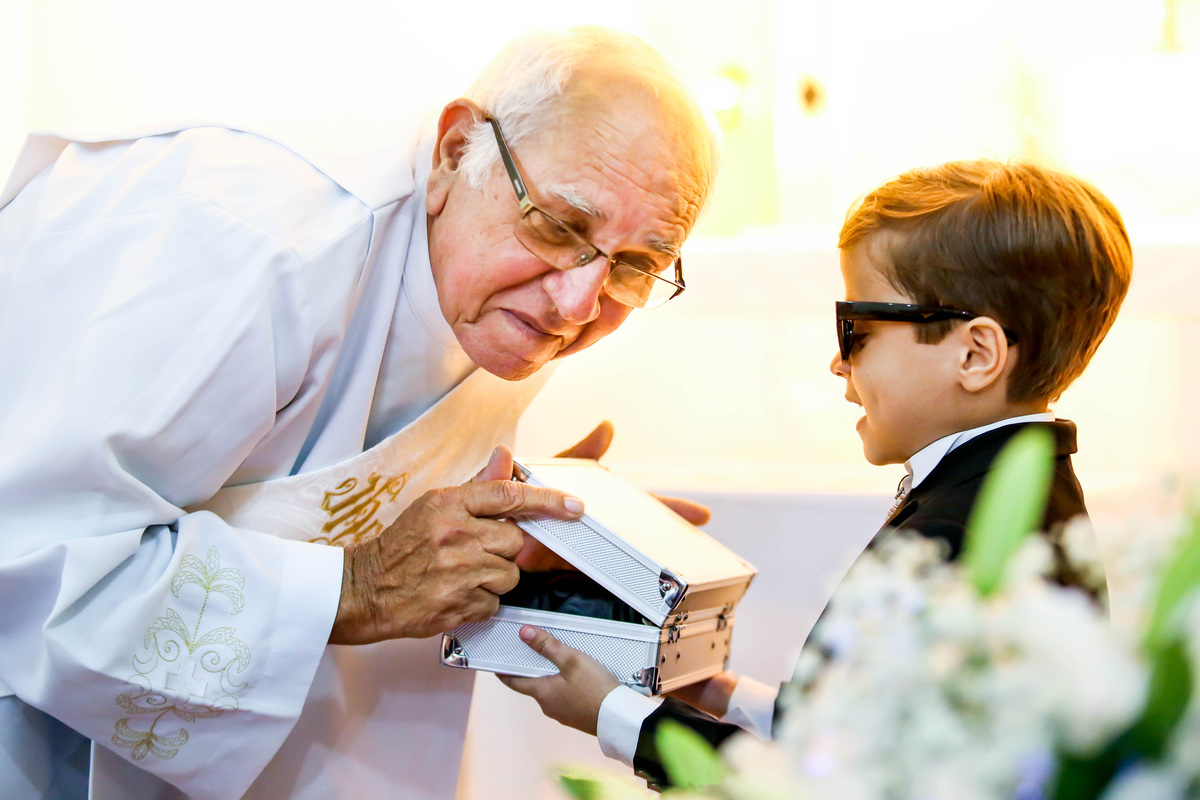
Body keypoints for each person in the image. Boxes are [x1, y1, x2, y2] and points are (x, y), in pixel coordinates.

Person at [0, 26, 718, 800]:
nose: (577, 304)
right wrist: (354, 587)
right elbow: (33, 550)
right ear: (455, 151)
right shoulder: (250, 233)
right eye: (559, 227)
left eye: (638, 266)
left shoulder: (506, 275)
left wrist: (511, 547)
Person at [500, 159, 1133, 787]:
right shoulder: (1001, 493)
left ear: (974, 354)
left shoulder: (972, 536)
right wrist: (719, 693)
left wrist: (618, 716)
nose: (837, 361)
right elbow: (875, 739)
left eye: (855, 329)